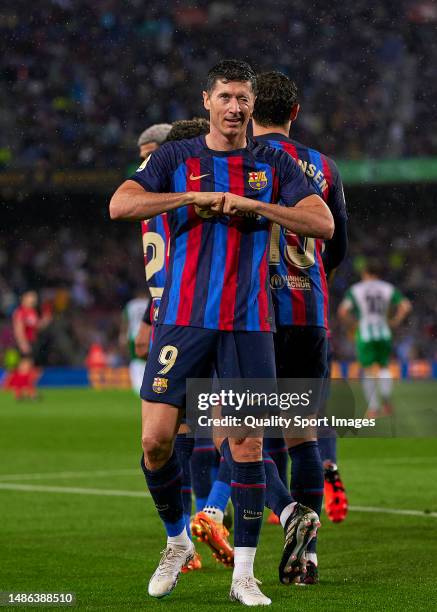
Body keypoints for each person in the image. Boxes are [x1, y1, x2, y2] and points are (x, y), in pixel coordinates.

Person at [110, 59, 333, 606]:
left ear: (254, 106)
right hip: (182, 320)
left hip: (249, 323)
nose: (235, 107)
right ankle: (177, 540)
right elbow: (121, 204)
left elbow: (323, 222)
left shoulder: (273, 162)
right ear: (207, 100)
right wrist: (190, 199)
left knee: (249, 445)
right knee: (155, 442)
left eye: (244, 99)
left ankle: (245, 576)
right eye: (226, 97)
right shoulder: (176, 157)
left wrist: (256, 205)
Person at [251, 71, 349, 581]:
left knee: (240, 435)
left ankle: (288, 516)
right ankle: (308, 559)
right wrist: (306, 282)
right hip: (308, 313)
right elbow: (339, 247)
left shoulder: (240, 162)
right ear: (294, 112)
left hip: (254, 318)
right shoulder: (323, 166)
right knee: (302, 435)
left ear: (249, 110)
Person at [338, 259, 412, 417]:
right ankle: (386, 402)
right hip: (384, 331)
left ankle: (373, 408)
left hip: (365, 333)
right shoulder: (387, 288)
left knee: (367, 369)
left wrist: (354, 325)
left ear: (365, 273)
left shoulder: (356, 289)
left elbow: (342, 312)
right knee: (384, 366)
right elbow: (406, 306)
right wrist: (395, 321)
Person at [119, 290, 150, 394]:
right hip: (148, 334)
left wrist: (122, 336)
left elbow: (125, 321)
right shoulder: (149, 302)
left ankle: (137, 385)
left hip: (133, 335)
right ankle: (147, 384)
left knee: (135, 360)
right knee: (148, 360)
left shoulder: (131, 304)